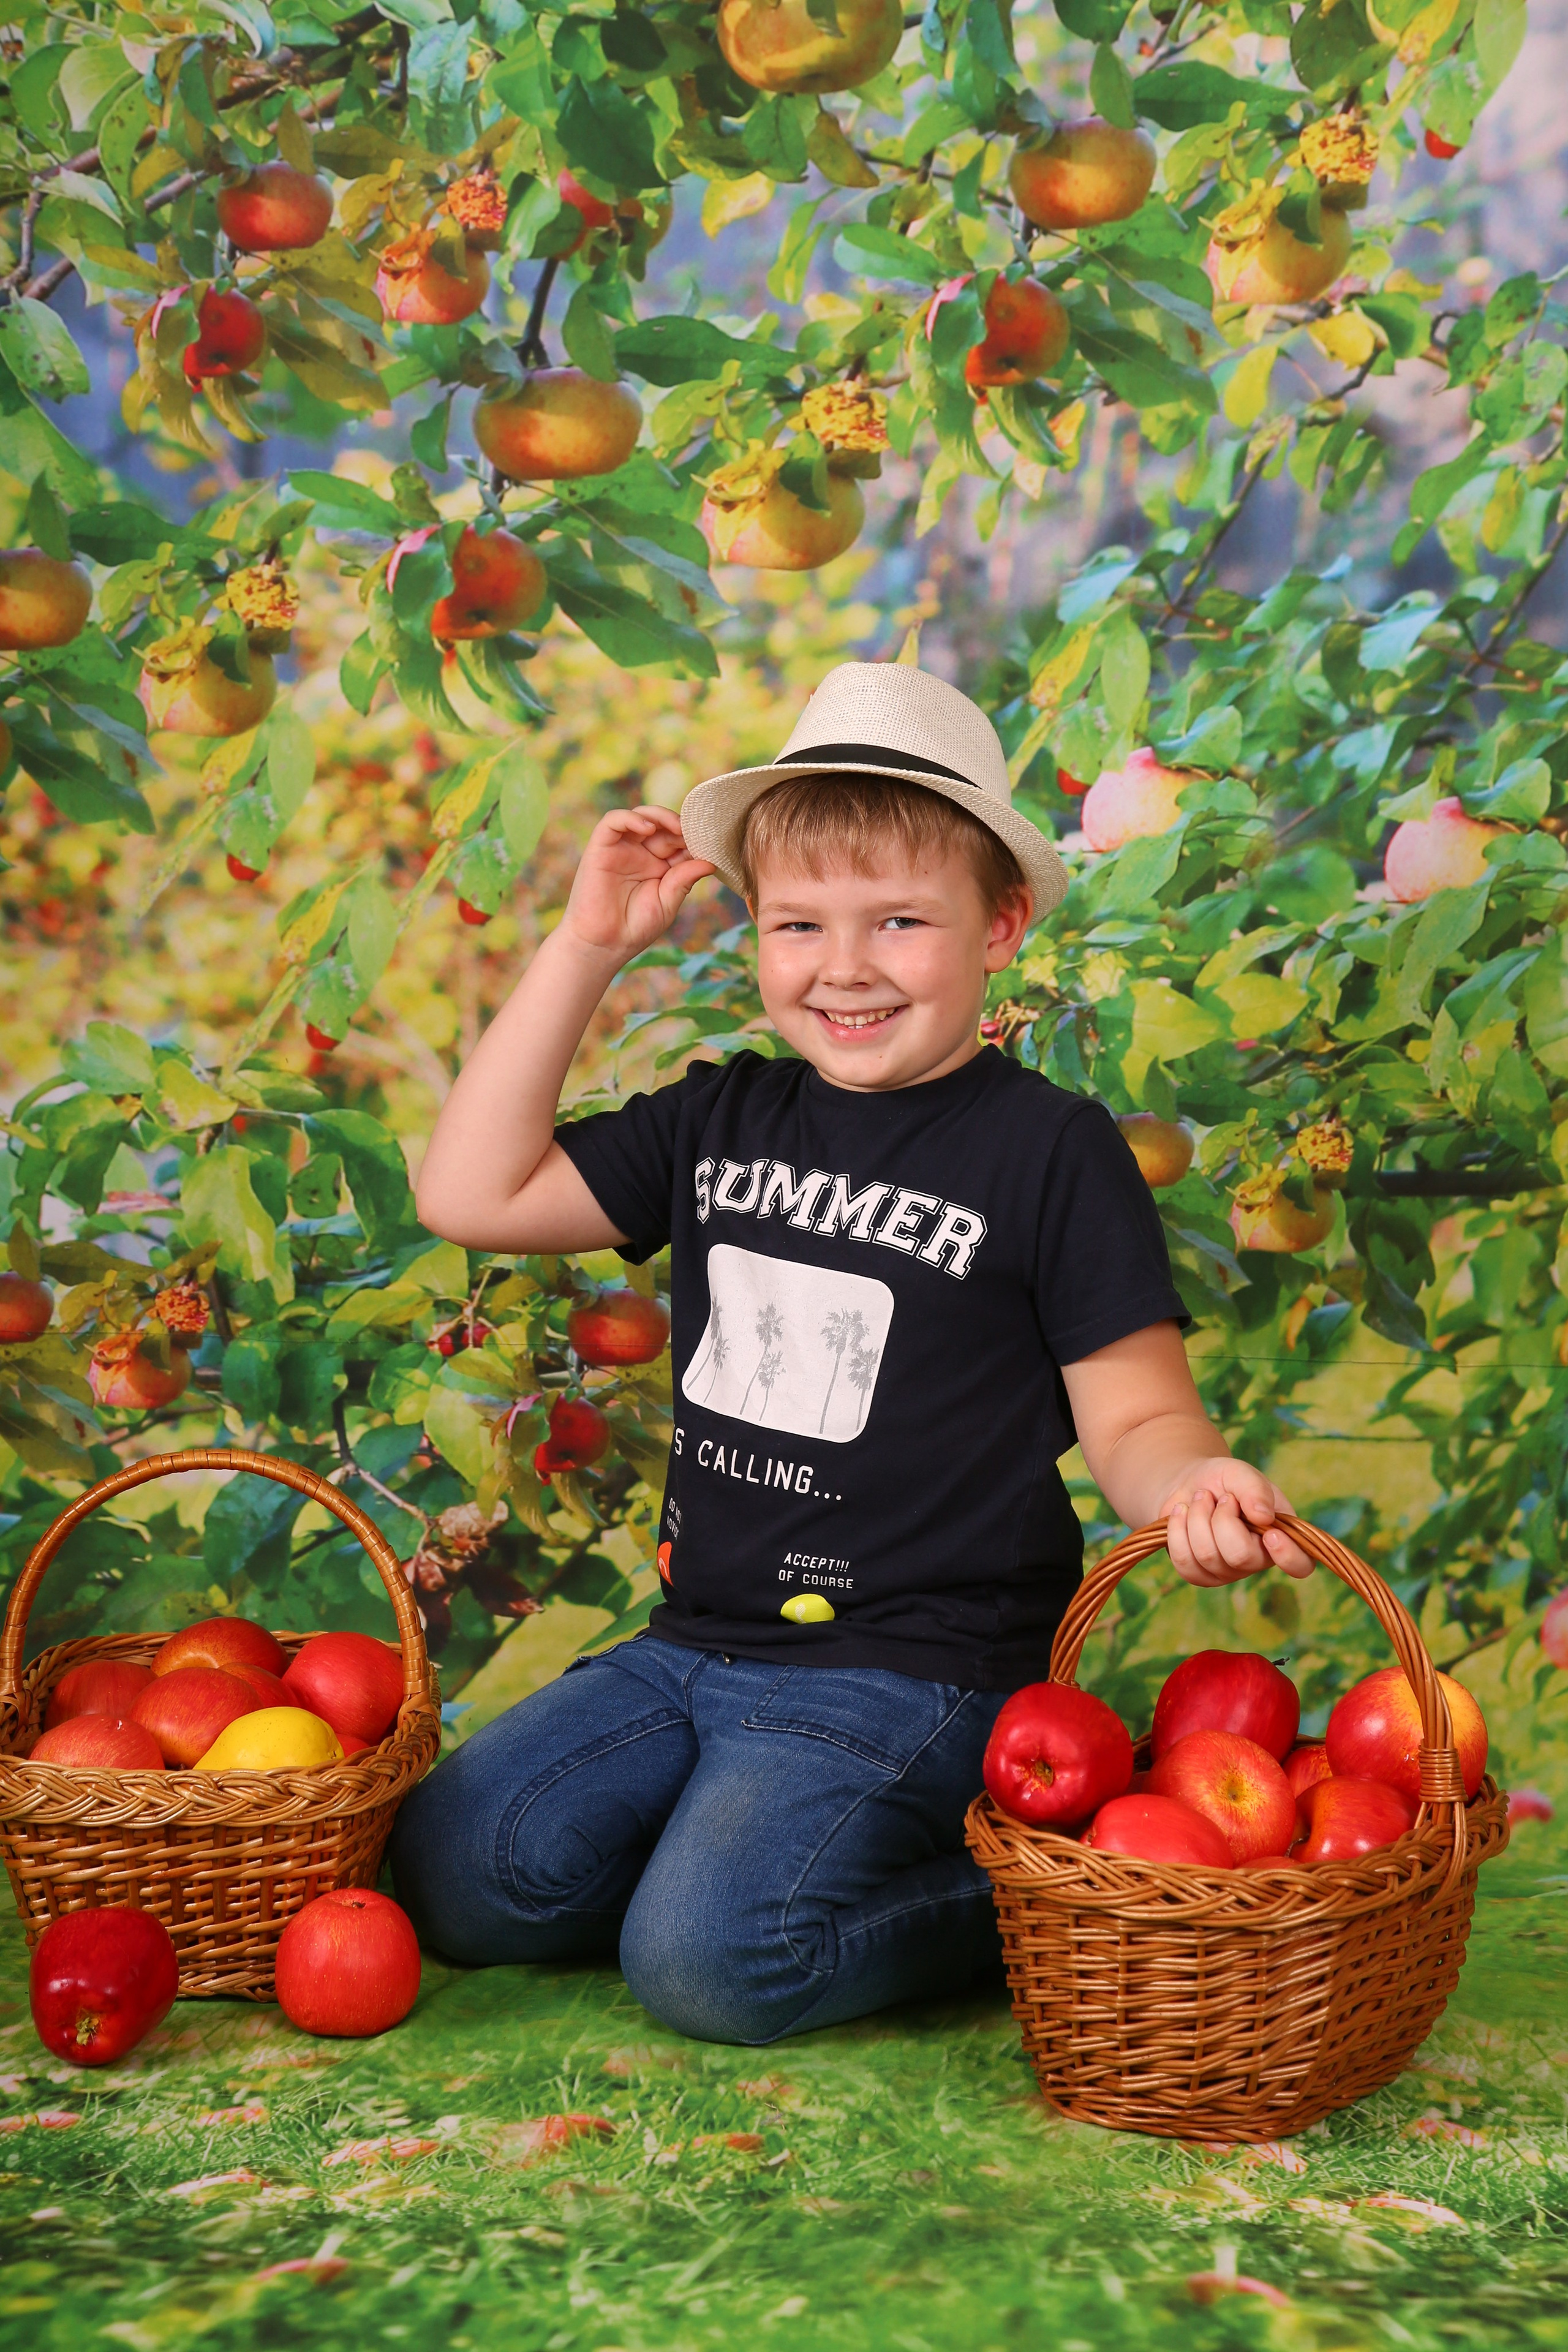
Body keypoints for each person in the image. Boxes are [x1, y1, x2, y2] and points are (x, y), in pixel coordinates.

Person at [390, 661, 1313, 2044]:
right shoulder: (720, 1117)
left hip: (915, 1665)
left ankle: (1046, 1884)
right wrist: (586, 946)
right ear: (753, 934)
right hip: (692, 1645)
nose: (844, 967)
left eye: (899, 920)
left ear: (999, 925)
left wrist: (1191, 1483)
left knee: (709, 1964)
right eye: (796, 924)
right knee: (457, 1876)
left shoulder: (1049, 1151)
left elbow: (1133, 1422)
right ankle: (725, 1847)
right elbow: (468, 1194)